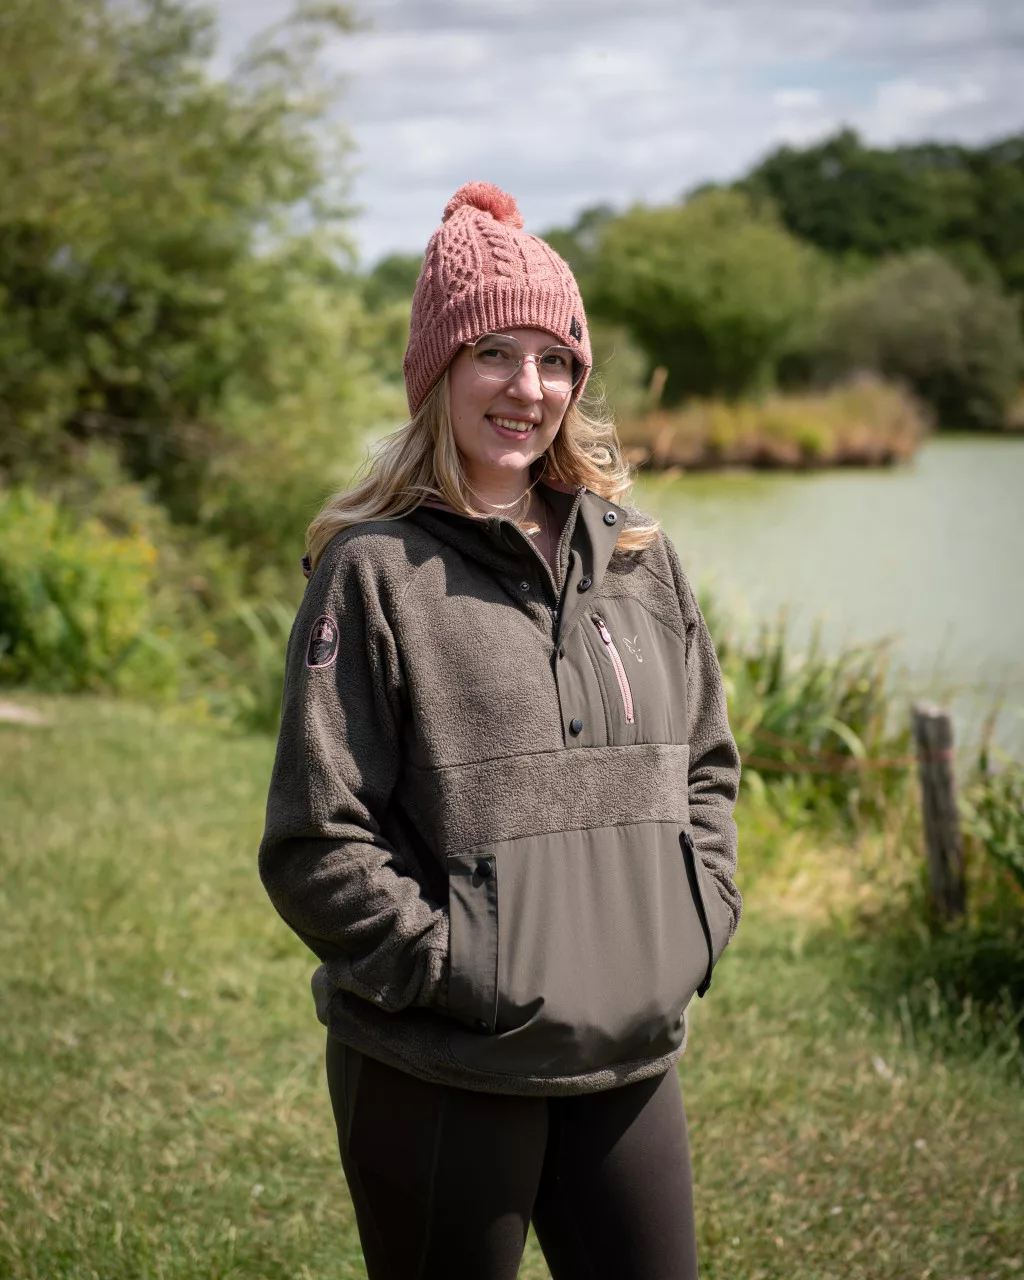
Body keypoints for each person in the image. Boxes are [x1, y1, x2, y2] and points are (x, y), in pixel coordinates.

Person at [258, 181, 742, 1280]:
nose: (530, 388)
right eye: (495, 354)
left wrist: (695, 919)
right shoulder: (372, 571)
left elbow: (706, 766)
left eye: (556, 359)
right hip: (444, 1070)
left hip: (629, 1057)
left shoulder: (638, 557)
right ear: (438, 372)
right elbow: (315, 838)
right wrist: (462, 966)